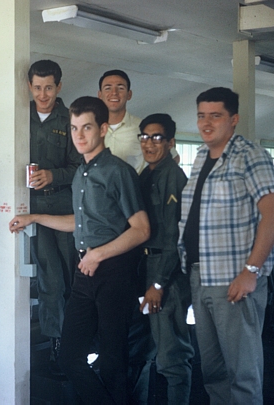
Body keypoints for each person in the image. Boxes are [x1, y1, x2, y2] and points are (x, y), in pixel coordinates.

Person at [10, 96, 150, 404]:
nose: (79, 135)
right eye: (74, 128)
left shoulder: (118, 171)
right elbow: (79, 222)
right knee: (69, 357)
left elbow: (141, 229)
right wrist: (34, 217)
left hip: (113, 271)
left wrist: (98, 254)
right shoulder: (80, 174)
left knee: (113, 359)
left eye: (87, 127)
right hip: (85, 270)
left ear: (102, 129)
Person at [178, 87, 274, 403]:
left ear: (233, 119)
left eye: (215, 116)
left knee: (242, 372)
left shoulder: (250, 155)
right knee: (213, 372)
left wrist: (251, 271)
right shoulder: (200, 157)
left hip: (234, 279)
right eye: (201, 116)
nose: (206, 123)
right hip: (200, 276)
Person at [98, 68, 156, 404]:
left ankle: (136, 385)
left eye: (120, 87)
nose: (114, 92)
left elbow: (161, 162)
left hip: (133, 225)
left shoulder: (141, 130)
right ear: (100, 94)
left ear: (129, 94)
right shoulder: (94, 129)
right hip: (102, 228)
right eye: (108, 87)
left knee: (135, 312)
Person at [27, 60, 81, 372]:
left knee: (72, 277)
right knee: (50, 279)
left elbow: (79, 166)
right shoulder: (20, 117)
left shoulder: (71, 119)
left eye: (49, 87)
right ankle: (56, 341)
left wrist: (53, 175)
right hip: (34, 208)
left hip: (65, 206)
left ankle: (76, 338)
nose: (43, 94)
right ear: (29, 87)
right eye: (37, 88)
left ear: (59, 87)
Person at [137, 113, 194, 404]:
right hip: (148, 266)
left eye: (157, 137)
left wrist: (158, 284)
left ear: (170, 142)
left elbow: (175, 237)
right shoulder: (148, 174)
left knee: (172, 355)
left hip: (166, 273)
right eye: (144, 137)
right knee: (149, 349)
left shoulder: (172, 176)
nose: (149, 143)